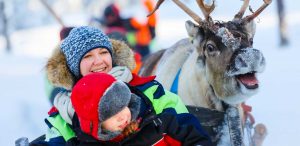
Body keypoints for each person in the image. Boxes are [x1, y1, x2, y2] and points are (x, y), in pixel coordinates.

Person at [30, 26, 197, 145]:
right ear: (74, 68)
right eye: (87, 56)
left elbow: (189, 130)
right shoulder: (62, 116)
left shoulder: (149, 91)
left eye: (103, 52)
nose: (98, 61)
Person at [67, 73, 211, 145]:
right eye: (111, 114)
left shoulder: (158, 124)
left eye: (123, 106)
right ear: (96, 124)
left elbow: (192, 133)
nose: (122, 116)